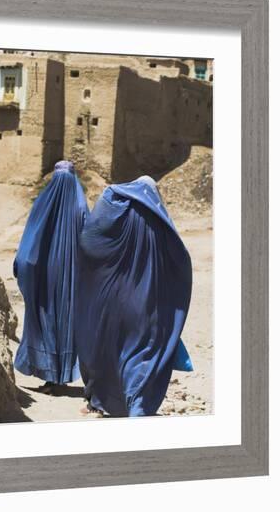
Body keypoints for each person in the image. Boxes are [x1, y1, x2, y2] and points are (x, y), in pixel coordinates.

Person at [75, 175, 193, 416]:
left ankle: (103, 399)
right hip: (147, 302)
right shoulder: (158, 220)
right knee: (141, 354)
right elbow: (180, 261)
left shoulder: (115, 206)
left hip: (110, 300)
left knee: (110, 348)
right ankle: (137, 407)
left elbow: (88, 240)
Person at [13, 160, 88, 392]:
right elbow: (93, 242)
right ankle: (58, 377)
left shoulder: (42, 204)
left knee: (44, 321)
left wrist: (23, 269)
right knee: (65, 323)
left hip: (43, 278)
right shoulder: (81, 208)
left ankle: (49, 376)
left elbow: (28, 246)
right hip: (71, 279)